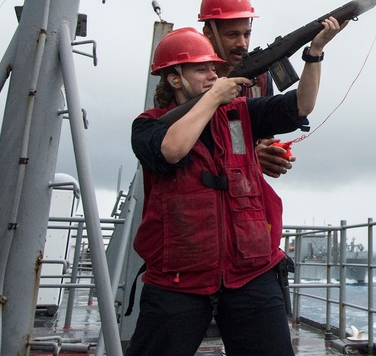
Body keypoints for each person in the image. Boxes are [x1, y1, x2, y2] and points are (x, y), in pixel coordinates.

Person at [127, 21, 344, 356]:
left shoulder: (240, 112)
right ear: (174, 79)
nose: (213, 75)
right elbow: (172, 150)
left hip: (250, 273)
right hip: (178, 281)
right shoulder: (148, 126)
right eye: (201, 70)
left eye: (214, 68)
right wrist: (214, 97)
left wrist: (314, 54)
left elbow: (301, 106)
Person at [198, 0, 294, 178]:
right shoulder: (194, 78)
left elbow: (263, 135)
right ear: (208, 33)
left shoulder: (261, 78)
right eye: (232, 35)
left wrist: (271, 152)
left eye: (246, 34)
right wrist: (251, 156)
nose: (242, 43)